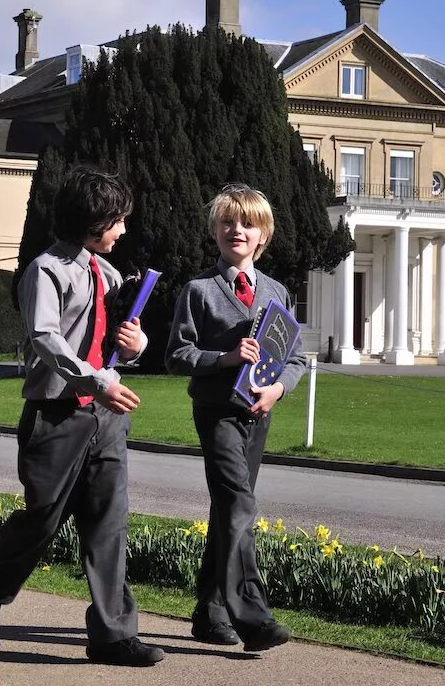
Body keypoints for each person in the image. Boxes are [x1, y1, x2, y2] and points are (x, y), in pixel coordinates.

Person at [0, 166, 163, 667]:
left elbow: (118, 341)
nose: (123, 231)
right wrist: (98, 380)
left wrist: (136, 346)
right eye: (118, 221)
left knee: (108, 524)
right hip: (55, 415)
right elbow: (46, 340)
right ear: (94, 219)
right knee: (42, 522)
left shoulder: (111, 274)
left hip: (106, 416)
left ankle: (114, 635)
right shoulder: (46, 270)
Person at [166, 184, 304, 653]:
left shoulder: (277, 291)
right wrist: (224, 359)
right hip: (216, 413)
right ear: (215, 231)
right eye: (227, 222)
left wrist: (279, 389)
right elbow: (177, 355)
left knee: (228, 511)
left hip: (257, 414)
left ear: (262, 234)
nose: (236, 230)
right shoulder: (198, 291)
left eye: (246, 223)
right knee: (239, 506)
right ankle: (253, 617)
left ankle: (209, 613)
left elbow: (295, 358)